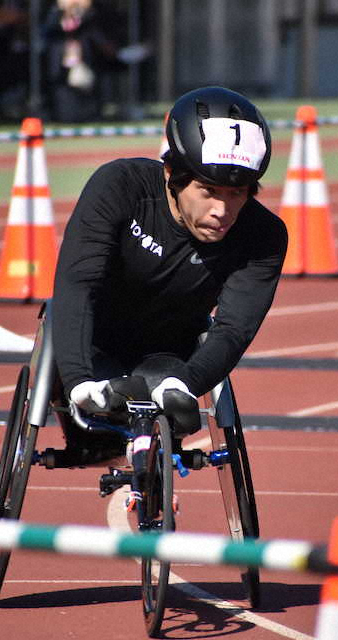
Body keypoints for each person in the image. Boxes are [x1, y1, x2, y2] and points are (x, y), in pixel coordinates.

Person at [50, 85, 287, 459]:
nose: (222, 211)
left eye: (237, 193)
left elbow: (233, 330)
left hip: (168, 356)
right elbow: (77, 285)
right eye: (208, 191)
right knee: (91, 395)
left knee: (160, 388)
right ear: (172, 173)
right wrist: (79, 381)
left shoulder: (265, 236)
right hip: (91, 339)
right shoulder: (120, 187)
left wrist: (187, 383)